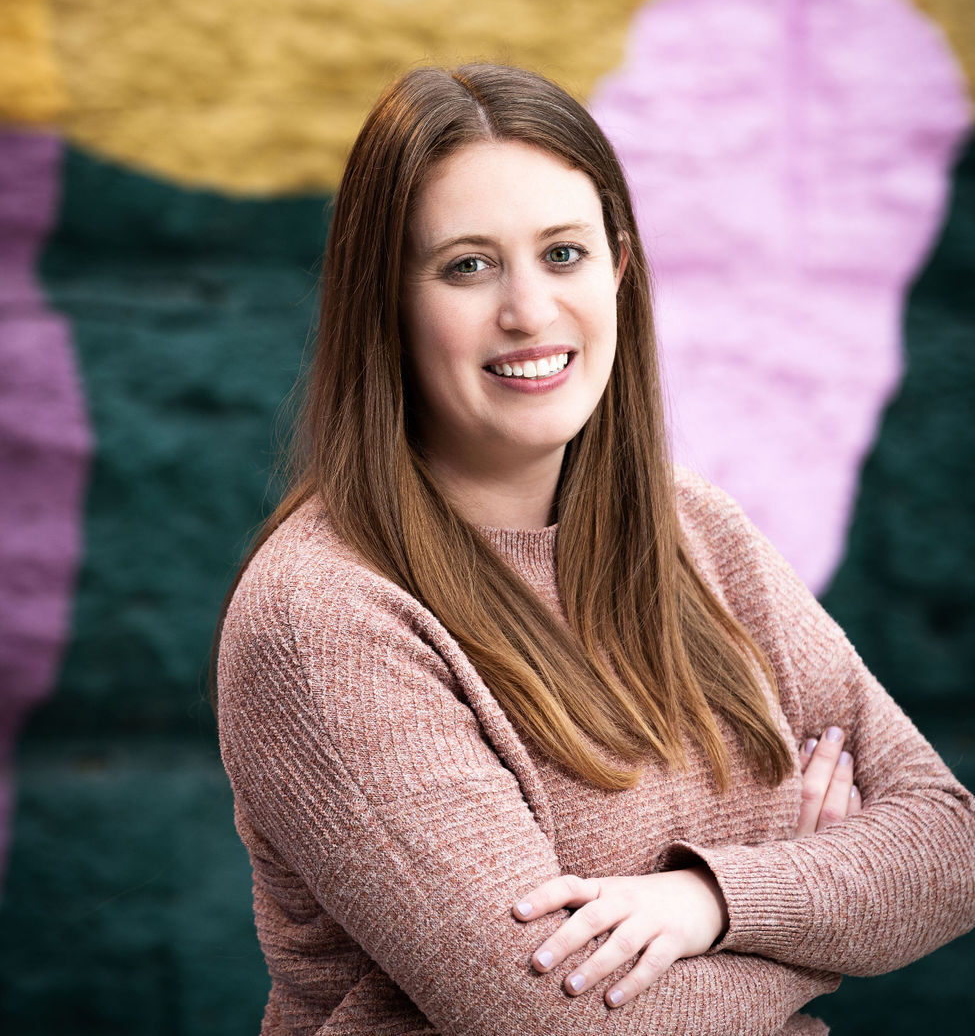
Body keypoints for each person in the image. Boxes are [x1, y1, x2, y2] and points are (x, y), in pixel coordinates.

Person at [215, 63, 975, 1035]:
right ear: (387, 303)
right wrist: (813, 927)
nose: (530, 312)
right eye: (468, 266)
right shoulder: (326, 616)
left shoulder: (697, 534)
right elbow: (561, 1020)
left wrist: (709, 904)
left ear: (618, 267)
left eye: (563, 255)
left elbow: (949, 842)